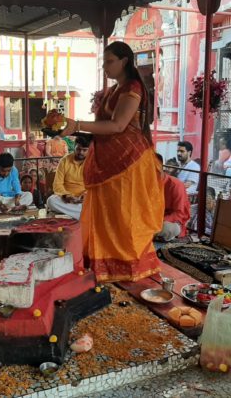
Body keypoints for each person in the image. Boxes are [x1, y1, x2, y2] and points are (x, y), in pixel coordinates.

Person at [60, 41, 164, 282]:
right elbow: (103, 127)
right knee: (107, 216)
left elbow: (118, 125)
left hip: (129, 163)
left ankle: (127, 267)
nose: (105, 67)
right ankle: (105, 264)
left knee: (125, 217)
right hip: (108, 162)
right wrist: (75, 129)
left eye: (109, 62)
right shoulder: (115, 89)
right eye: (104, 62)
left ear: (124, 61)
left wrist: (77, 125)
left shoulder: (133, 87)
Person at [46, 136, 90, 220]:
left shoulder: (92, 163)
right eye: (78, 149)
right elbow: (57, 184)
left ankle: (78, 213)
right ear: (74, 147)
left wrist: (85, 195)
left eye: (84, 150)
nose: (81, 152)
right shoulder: (64, 161)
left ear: (89, 150)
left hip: (85, 199)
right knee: (51, 201)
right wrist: (66, 196)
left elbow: (95, 186)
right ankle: (84, 214)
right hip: (67, 199)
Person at [155, 153, 190, 242]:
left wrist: (158, 222)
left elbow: (179, 213)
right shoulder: (147, 183)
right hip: (153, 220)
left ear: (159, 168)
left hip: (170, 222)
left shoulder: (176, 185)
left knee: (166, 228)